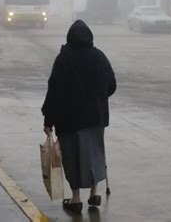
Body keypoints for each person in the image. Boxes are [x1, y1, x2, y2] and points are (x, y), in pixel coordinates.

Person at [42, 20, 116, 214]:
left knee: (72, 157)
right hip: (95, 118)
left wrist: (48, 120)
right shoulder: (99, 56)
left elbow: (54, 91)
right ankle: (94, 193)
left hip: (70, 120)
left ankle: (75, 199)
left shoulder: (64, 59)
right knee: (95, 154)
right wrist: (97, 98)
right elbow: (111, 84)